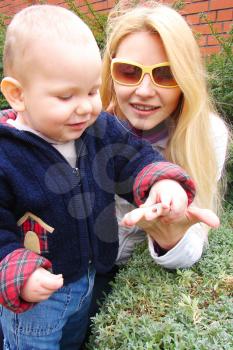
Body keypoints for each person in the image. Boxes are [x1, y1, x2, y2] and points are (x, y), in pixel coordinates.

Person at [0, 4, 200, 350]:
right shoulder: (6, 156)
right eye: (66, 96)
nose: (86, 107)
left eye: (93, 91)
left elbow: (136, 157)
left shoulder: (98, 129)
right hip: (36, 298)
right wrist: (20, 272)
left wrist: (162, 183)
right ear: (17, 94)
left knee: (77, 340)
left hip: (89, 277)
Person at [87, 0, 228, 327]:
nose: (144, 91)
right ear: (110, 72)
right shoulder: (92, 124)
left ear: (185, 77)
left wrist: (170, 237)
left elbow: (193, 245)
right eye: (128, 71)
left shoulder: (207, 135)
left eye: (165, 74)